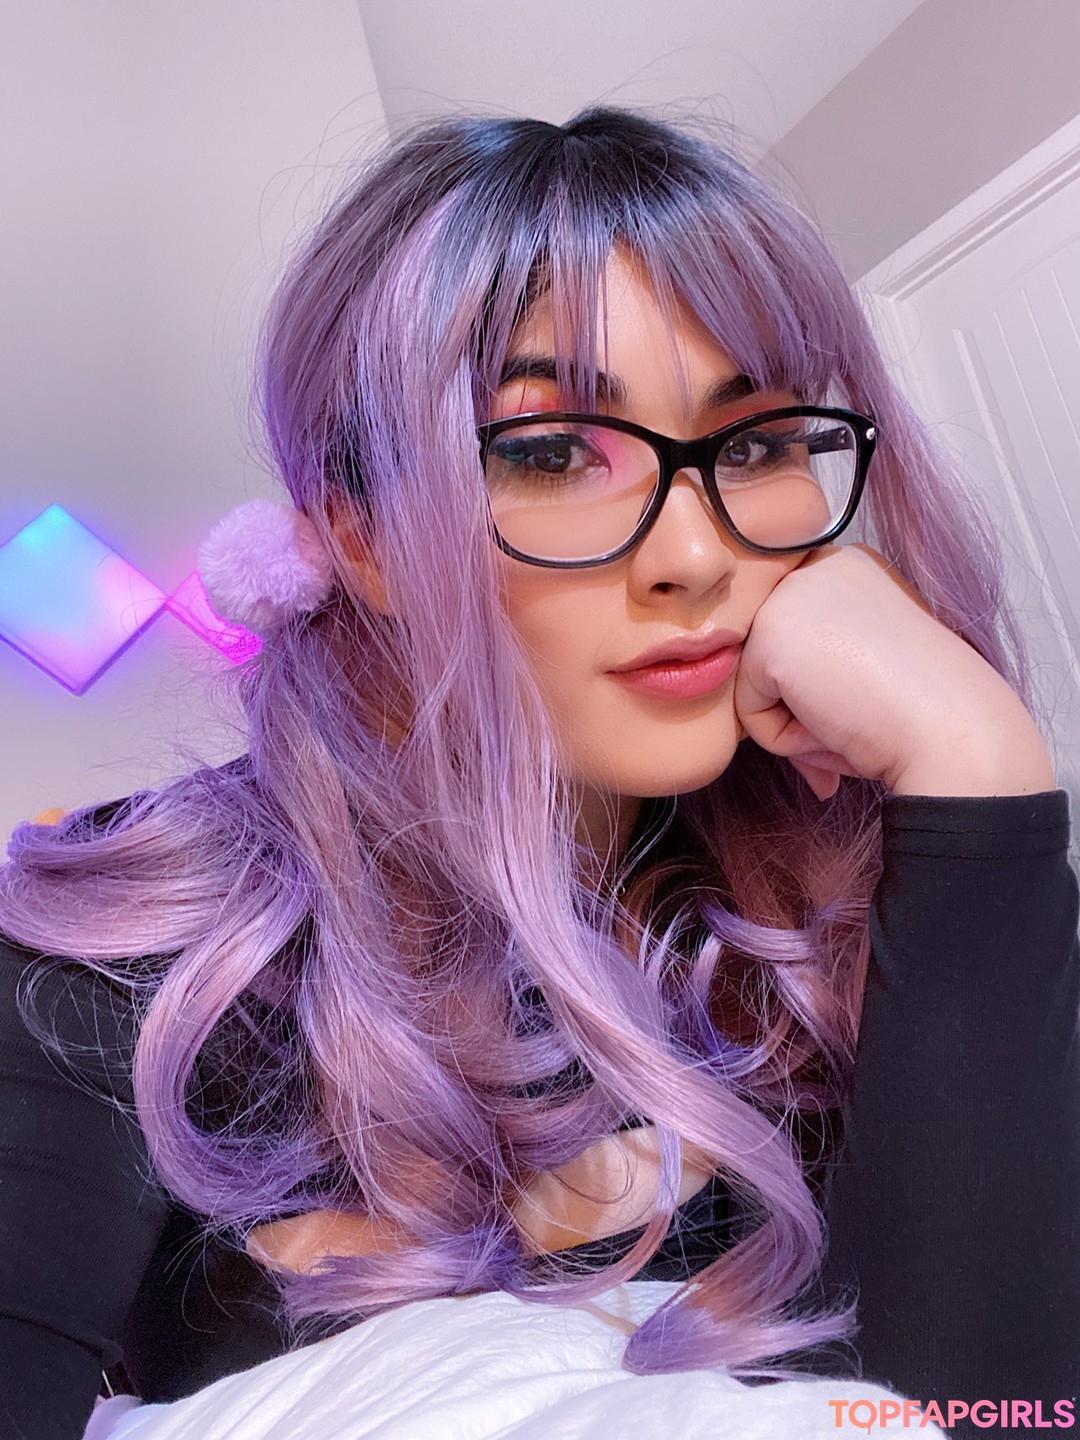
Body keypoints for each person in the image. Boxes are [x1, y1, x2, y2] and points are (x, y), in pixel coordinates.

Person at [1, 108, 1077, 1440]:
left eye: (755, 445)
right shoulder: (127, 942)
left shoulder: (866, 897)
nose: (696, 556)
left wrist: (978, 779)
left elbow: (986, 1414)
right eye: (551, 452)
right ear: (362, 534)